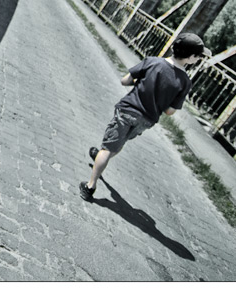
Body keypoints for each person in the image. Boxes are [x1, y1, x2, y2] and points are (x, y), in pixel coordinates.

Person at [79, 32, 211, 201]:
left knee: (107, 148)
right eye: (198, 56)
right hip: (146, 119)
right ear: (191, 58)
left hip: (128, 110)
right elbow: (170, 111)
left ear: (173, 47)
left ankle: (90, 186)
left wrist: (140, 83)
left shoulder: (153, 62)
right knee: (119, 143)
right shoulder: (185, 82)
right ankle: (100, 158)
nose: (198, 59)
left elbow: (124, 81)